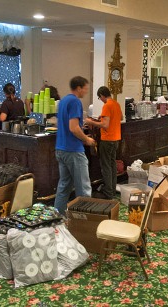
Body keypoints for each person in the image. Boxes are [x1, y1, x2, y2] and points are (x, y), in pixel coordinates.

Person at [54, 76, 96, 214]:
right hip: (73, 150)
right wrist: (86, 139)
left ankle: (58, 217)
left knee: (64, 186)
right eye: (85, 88)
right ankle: (84, 222)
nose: (86, 91)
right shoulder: (75, 101)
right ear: (79, 88)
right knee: (83, 188)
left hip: (60, 148)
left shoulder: (63, 101)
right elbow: (73, 128)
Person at [85, 86, 122, 199]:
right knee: (112, 165)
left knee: (106, 166)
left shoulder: (107, 105)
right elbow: (120, 117)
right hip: (116, 139)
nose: (100, 99)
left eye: (99, 97)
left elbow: (105, 125)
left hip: (107, 140)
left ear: (101, 95)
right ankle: (112, 190)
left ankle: (108, 193)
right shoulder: (116, 103)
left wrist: (90, 121)